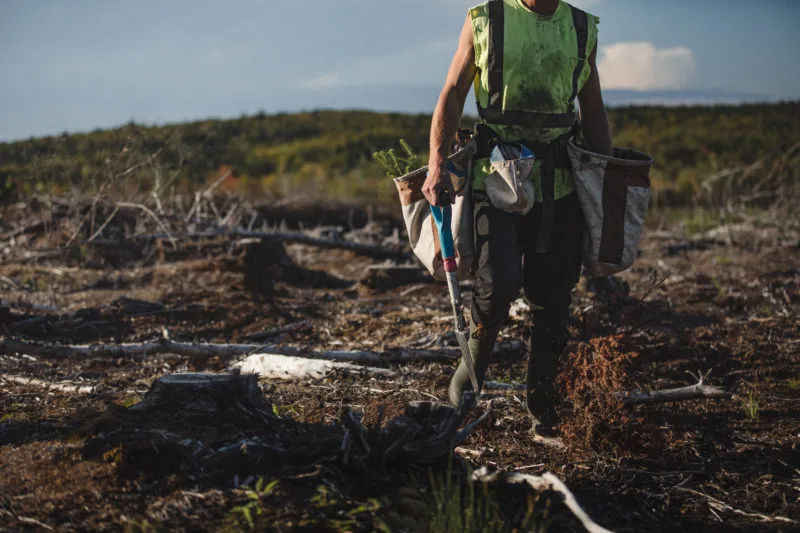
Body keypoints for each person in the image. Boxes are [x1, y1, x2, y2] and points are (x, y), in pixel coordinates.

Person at [422, 0, 613, 440]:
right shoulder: (484, 19)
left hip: (559, 184)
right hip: (496, 178)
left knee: (553, 297)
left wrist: (605, 179)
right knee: (498, 285)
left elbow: (593, 106)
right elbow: (452, 91)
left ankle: (545, 412)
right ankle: (465, 390)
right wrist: (436, 162)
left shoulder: (580, 28)